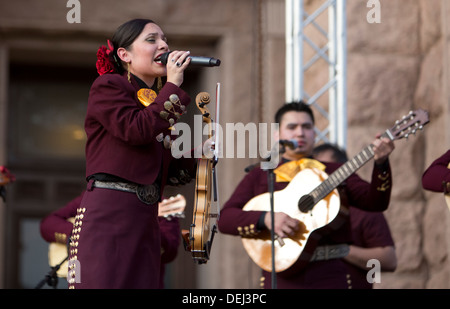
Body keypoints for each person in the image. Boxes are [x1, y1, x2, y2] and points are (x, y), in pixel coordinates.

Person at [69, 18, 195, 289]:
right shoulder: (109, 87)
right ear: (124, 55)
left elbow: (166, 168)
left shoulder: (154, 99)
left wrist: (202, 156)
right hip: (110, 214)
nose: (163, 45)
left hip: (145, 218)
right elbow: (135, 130)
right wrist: (173, 85)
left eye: (164, 40)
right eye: (151, 40)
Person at [217, 101, 395, 289]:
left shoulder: (334, 171)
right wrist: (266, 218)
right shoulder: (262, 174)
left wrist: (381, 165)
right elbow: (225, 219)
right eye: (292, 127)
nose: (300, 133)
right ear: (277, 134)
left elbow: (376, 202)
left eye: (307, 127)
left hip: (329, 275)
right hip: (281, 276)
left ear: (314, 132)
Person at [40, 193, 182, 288]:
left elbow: (170, 250)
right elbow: (47, 225)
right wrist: (79, 234)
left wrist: (142, 225)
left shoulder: (160, 202)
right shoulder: (95, 196)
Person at [312, 143, 397, 289]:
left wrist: (339, 250)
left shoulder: (363, 210)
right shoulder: (304, 213)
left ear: (343, 171)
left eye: (327, 171)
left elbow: (389, 260)